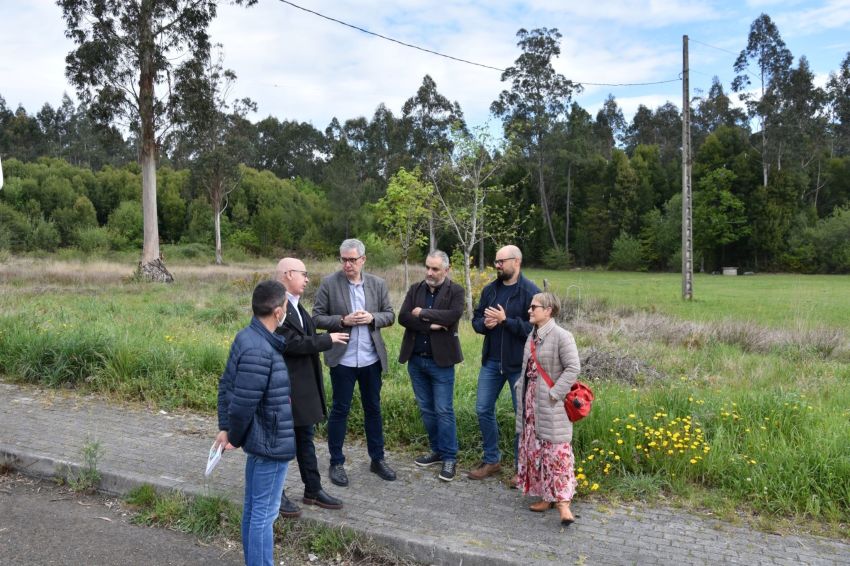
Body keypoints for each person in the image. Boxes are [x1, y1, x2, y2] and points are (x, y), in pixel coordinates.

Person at [214, 280, 295, 566]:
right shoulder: (260, 350)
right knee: (264, 513)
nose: (287, 309)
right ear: (276, 311)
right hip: (270, 442)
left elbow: (226, 386)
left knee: (253, 509)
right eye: (285, 304)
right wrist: (232, 435)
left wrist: (226, 428)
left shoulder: (247, 337)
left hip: (262, 439)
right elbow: (242, 402)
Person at [312, 238, 397, 486]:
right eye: (344, 259)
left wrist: (372, 317)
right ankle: (336, 462)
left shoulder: (378, 284)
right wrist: (343, 320)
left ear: (363, 260)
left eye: (352, 260)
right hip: (343, 359)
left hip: (371, 358)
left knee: (373, 409)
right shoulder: (329, 283)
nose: (347, 264)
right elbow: (316, 318)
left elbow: (390, 315)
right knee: (340, 410)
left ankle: (377, 459)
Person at [275, 257, 349, 517]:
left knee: (305, 440)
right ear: (287, 274)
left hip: (303, 386)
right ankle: (276, 494)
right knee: (283, 444)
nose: (307, 279)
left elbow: (302, 335)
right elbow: (290, 342)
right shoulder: (276, 305)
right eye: (303, 274)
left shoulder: (296, 304)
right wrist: (325, 340)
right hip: (286, 389)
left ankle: (312, 489)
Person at [469, 245, 540, 480]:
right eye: (496, 262)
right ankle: (492, 460)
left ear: (516, 262)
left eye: (501, 262)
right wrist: (484, 325)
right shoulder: (490, 290)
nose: (497, 266)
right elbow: (476, 319)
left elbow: (535, 329)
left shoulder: (531, 292)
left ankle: (522, 468)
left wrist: (505, 321)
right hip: (491, 361)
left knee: (521, 416)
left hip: (518, 365)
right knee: (482, 408)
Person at [397, 250, 465, 482]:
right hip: (416, 359)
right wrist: (431, 325)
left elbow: (452, 316)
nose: (429, 272)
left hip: (441, 362)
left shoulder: (456, 291)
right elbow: (404, 317)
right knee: (426, 409)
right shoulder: (416, 289)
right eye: (428, 267)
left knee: (444, 410)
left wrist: (423, 313)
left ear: (446, 270)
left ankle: (449, 457)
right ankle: (437, 450)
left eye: (435, 269)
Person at [515, 292, 580, 525]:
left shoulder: (562, 336)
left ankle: (564, 504)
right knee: (537, 451)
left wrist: (555, 394)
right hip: (531, 403)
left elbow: (573, 367)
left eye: (535, 307)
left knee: (557, 453)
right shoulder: (531, 337)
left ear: (549, 310)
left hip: (552, 403)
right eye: (530, 306)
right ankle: (545, 497)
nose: (530, 310)